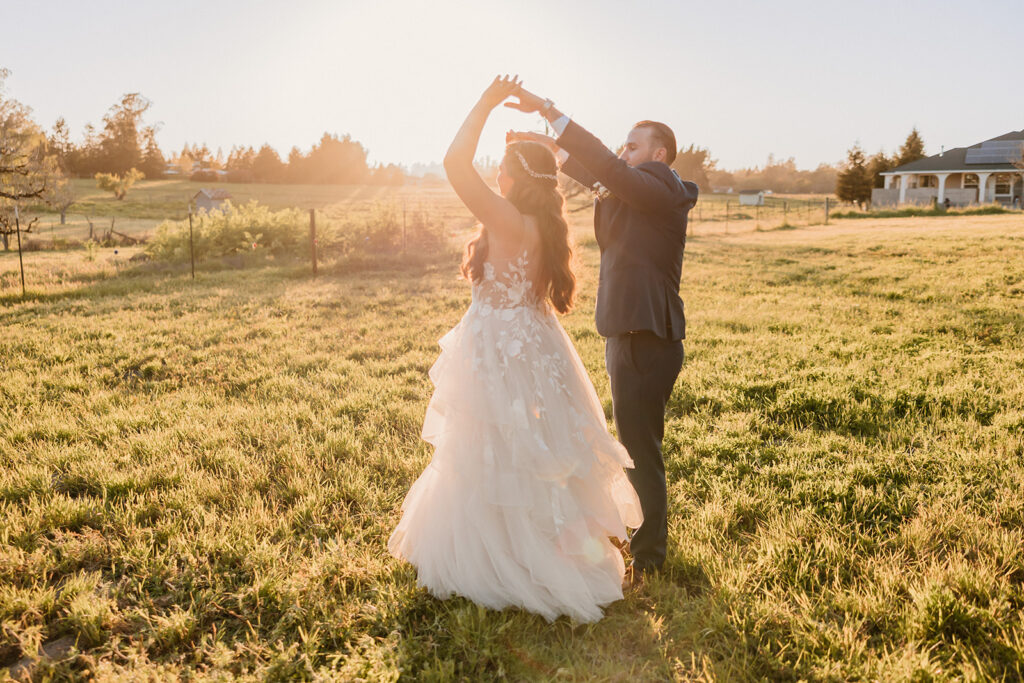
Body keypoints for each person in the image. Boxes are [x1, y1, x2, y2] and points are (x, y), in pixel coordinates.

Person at [388, 76, 642, 623]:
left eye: (502, 168)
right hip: (536, 343)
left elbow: (455, 165)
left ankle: (505, 556)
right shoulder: (544, 225)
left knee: (490, 446)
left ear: (516, 179)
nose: (494, 174)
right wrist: (529, 144)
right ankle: (550, 540)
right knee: (534, 447)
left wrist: (481, 102)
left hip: (499, 345)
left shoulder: (505, 218)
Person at [506, 83, 699, 588]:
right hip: (627, 335)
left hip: (645, 338)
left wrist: (550, 111)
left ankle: (650, 559)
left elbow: (609, 173)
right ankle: (642, 543)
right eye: (623, 145)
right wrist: (550, 149)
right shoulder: (640, 197)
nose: (623, 152)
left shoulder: (663, 186)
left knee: (640, 451)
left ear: (658, 155)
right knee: (638, 445)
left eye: (632, 145)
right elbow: (601, 177)